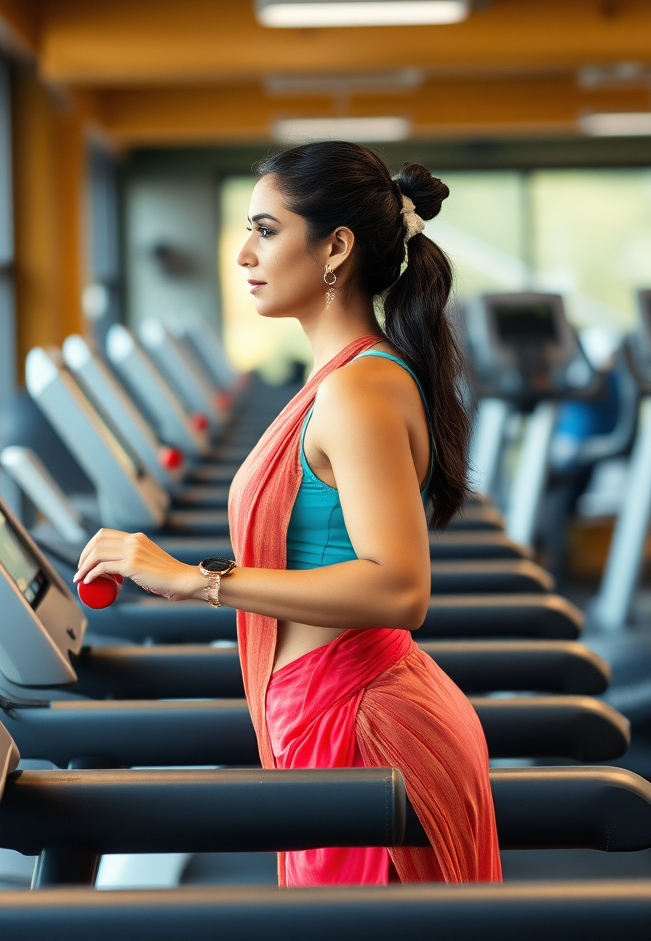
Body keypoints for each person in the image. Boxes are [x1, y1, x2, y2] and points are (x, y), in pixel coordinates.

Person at [75, 141, 501, 887]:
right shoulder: (338, 378)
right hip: (326, 715)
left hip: (364, 726)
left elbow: (400, 588)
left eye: (266, 230)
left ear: (336, 247)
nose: (243, 253)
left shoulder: (358, 390)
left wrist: (197, 581)